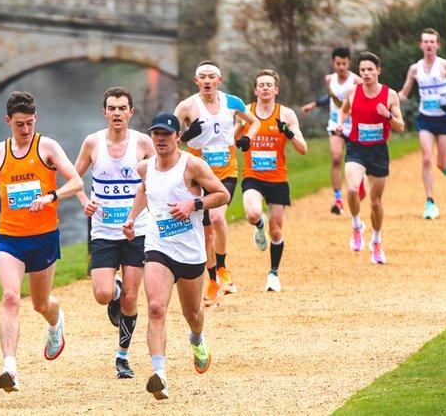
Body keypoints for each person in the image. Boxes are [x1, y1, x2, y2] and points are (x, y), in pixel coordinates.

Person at [0, 91, 84, 393]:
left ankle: (55, 320)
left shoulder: (46, 146)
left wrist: (50, 196)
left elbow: (76, 182)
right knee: (10, 297)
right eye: (20, 124)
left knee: (39, 303)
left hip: (44, 237)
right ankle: (10, 367)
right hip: (9, 237)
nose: (25, 130)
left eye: (30, 123)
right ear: (8, 121)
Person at [121, 112, 230, 400]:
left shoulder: (192, 165)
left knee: (192, 314)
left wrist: (193, 203)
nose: (160, 139)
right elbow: (145, 190)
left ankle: (197, 339)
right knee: (156, 307)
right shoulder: (145, 168)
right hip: (159, 247)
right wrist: (133, 217)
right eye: (156, 134)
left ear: (177, 137)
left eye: (166, 134)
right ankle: (159, 374)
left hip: (191, 253)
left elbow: (222, 195)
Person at [73, 87, 156, 379]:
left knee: (132, 300)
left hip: (137, 230)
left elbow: (161, 175)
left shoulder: (144, 143)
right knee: (102, 293)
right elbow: (73, 178)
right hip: (104, 231)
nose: (117, 113)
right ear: (105, 112)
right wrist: (85, 202)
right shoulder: (92, 143)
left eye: (123, 108)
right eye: (112, 108)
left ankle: (122, 357)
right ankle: (115, 290)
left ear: (131, 112)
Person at [174, 60, 259, 306]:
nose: (208, 81)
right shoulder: (187, 106)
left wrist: (246, 140)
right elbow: (168, 139)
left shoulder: (232, 102)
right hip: (197, 174)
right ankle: (212, 280)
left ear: (219, 81)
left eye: (212, 77)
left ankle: (222, 268)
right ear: (196, 81)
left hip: (226, 172)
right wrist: (185, 136)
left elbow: (254, 122)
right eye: (203, 77)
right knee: (206, 232)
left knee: (218, 218)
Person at [238, 69, 307, 292]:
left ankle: (273, 274)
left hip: (278, 179)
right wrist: (241, 136)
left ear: (276, 90)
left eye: (269, 85)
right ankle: (259, 226)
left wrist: (288, 132)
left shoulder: (286, 114)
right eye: (262, 85)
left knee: (276, 231)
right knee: (253, 213)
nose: (265, 88)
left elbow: (303, 149)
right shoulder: (246, 112)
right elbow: (231, 138)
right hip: (253, 177)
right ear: (255, 90)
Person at [336, 52, 405, 264]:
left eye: (370, 69)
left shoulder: (390, 95)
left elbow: (401, 127)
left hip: (378, 151)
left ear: (378, 71)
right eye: (363, 70)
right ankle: (357, 226)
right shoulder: (353, 92)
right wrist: (340, 123)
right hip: (356, 148)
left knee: (375, 202)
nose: (366, 73)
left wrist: (388, 116)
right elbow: (343, 111)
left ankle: (376, 240)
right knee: (353, 189)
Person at [398, 28, 446, 220]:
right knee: (426, 159)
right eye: (425, 42)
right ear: (421, 45)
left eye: (432, 42)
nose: (429, 45)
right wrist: (386, 97)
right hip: (425, 118)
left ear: (437, 45)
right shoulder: (415, 69)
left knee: (440, 162)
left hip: (444, 118)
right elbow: (404, 93)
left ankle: (444, 165)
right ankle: (430, 202)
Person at [301, 47, 362, 214]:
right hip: (335, 124)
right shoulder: (329, 79)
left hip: (354, 125)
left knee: (357, 162)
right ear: (333, 63)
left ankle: (359, 185)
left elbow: (360, 102)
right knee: (336, 158)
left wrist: (349, 113)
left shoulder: (356, 81)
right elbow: (331, 97)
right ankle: (338, 200)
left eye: (344, 63)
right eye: (338, 63)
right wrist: (312, 105)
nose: (341, 67)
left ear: (349, 63)